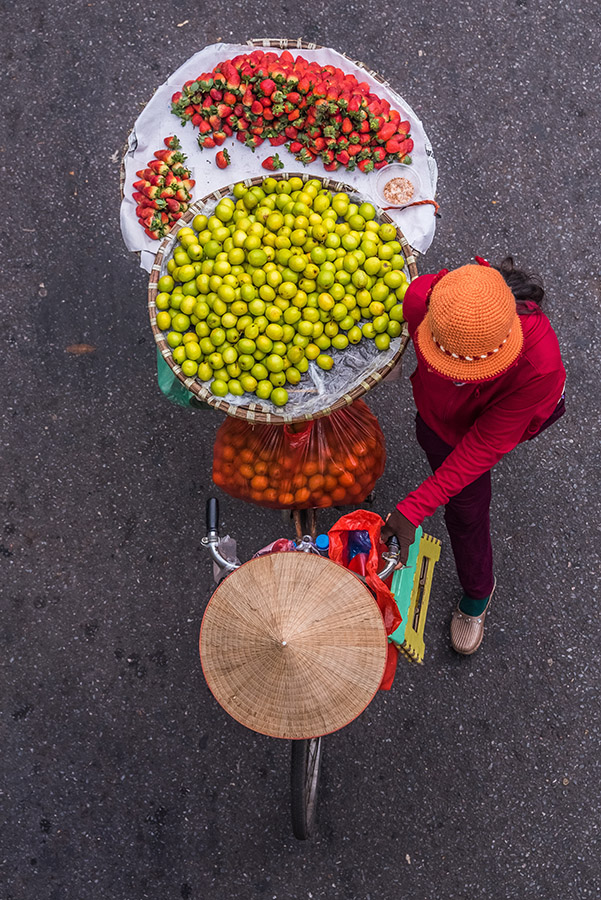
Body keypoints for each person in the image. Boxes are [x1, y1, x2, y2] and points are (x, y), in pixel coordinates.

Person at [381, 256, 566, 655]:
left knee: (466, 509)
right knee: (434, 442)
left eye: (470, 370)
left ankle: (478, 592)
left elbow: (482, 446)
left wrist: (416, 506)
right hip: (434, 417)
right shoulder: (421, 299)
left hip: (489, 422)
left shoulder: (540, 369)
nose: (454, 376)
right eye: (444, 359)